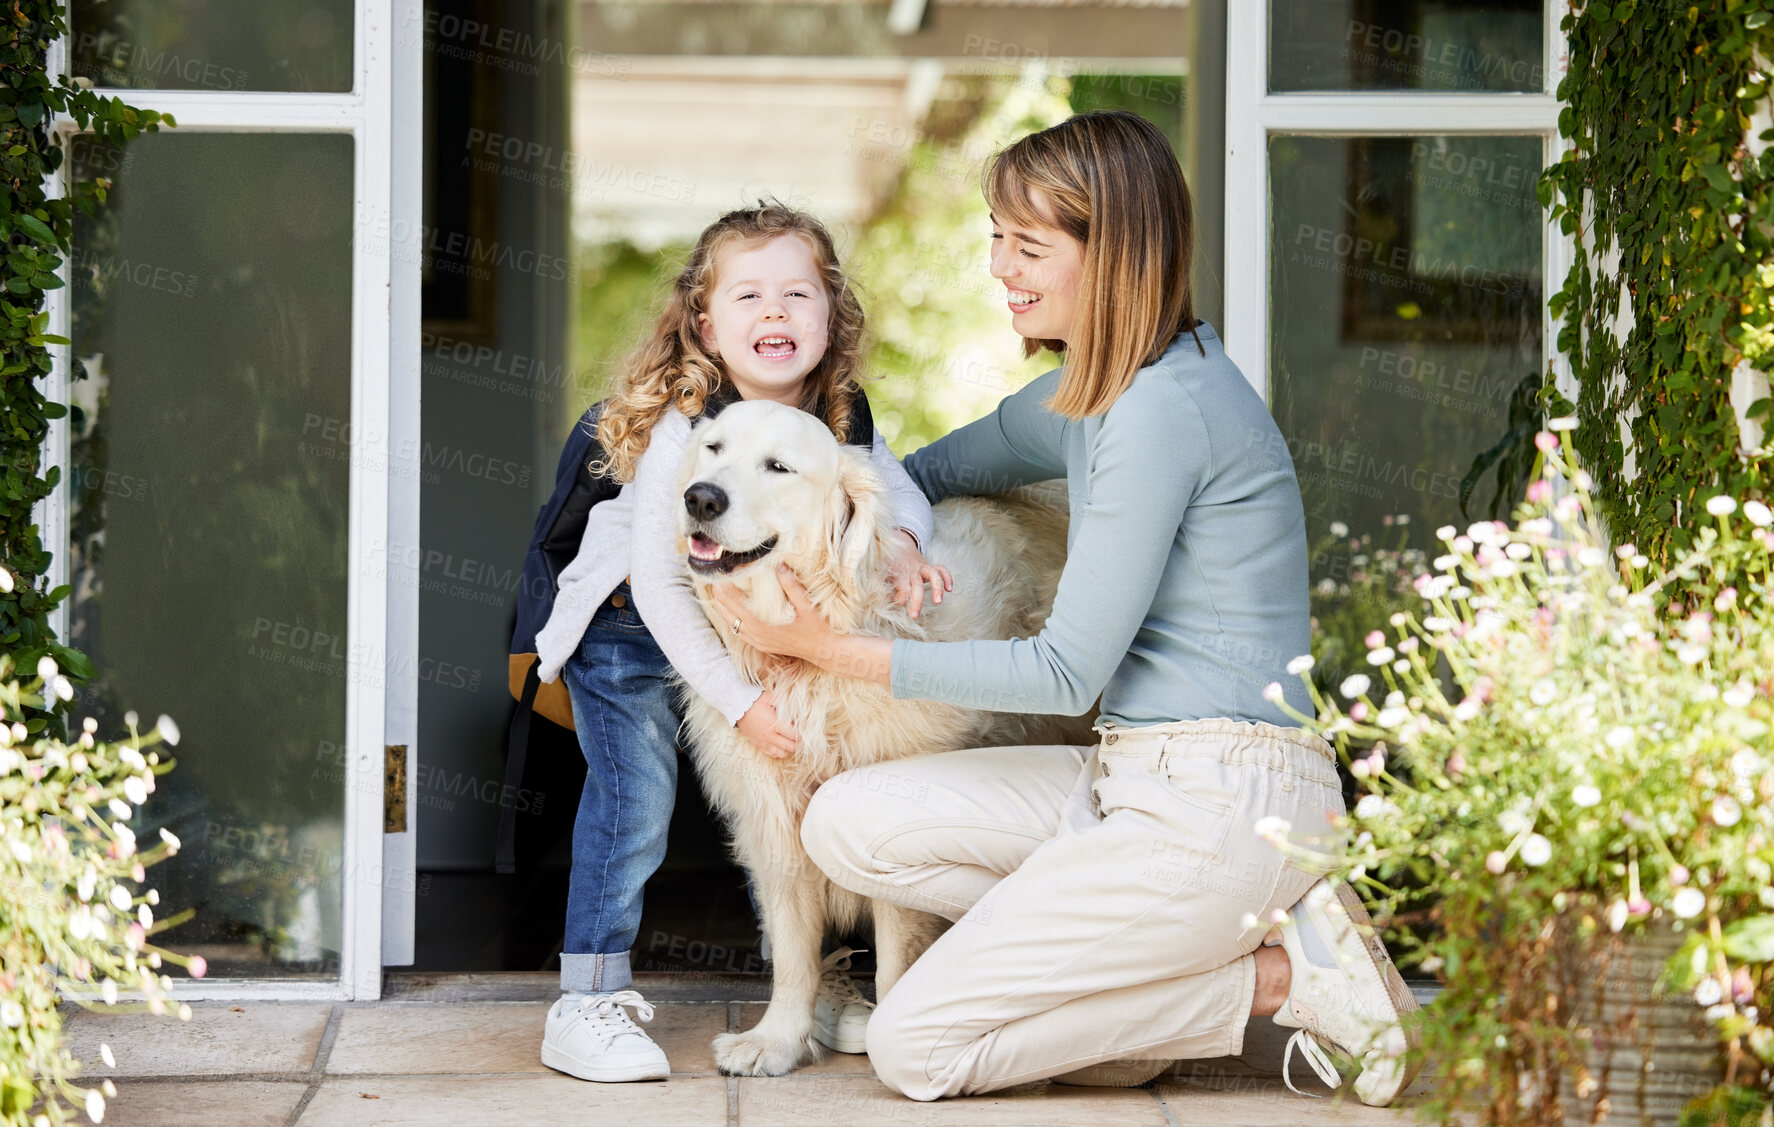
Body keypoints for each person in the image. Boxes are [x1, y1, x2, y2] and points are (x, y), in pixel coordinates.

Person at [714, 112, 1419, 1105]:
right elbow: (913, 471)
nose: (999, 266)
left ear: (1115, 252)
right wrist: (888, 528)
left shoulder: (1158, 410)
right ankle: (1198, 952)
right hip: (1130, 774)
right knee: (847, 825)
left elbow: (1063, 672)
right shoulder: (1088, 394)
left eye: (1028, 245)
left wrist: (828, 646)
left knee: (916, 1048)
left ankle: (1277, 975)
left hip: (1223, 794)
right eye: (995, 237)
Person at [531, 204, 952, 1083]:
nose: (775, 313)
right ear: (704, 322)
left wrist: (906, 543)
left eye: (797, 294)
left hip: (747, 613)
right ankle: (589, 996)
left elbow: (891, 485)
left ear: (830, 317)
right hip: (632, 617)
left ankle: (823, 979)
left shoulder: (838, 414)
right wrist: (743, 704)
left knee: (809, 796)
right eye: (749, 295)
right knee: (638, 789)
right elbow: (660, 583)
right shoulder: (688, 423)